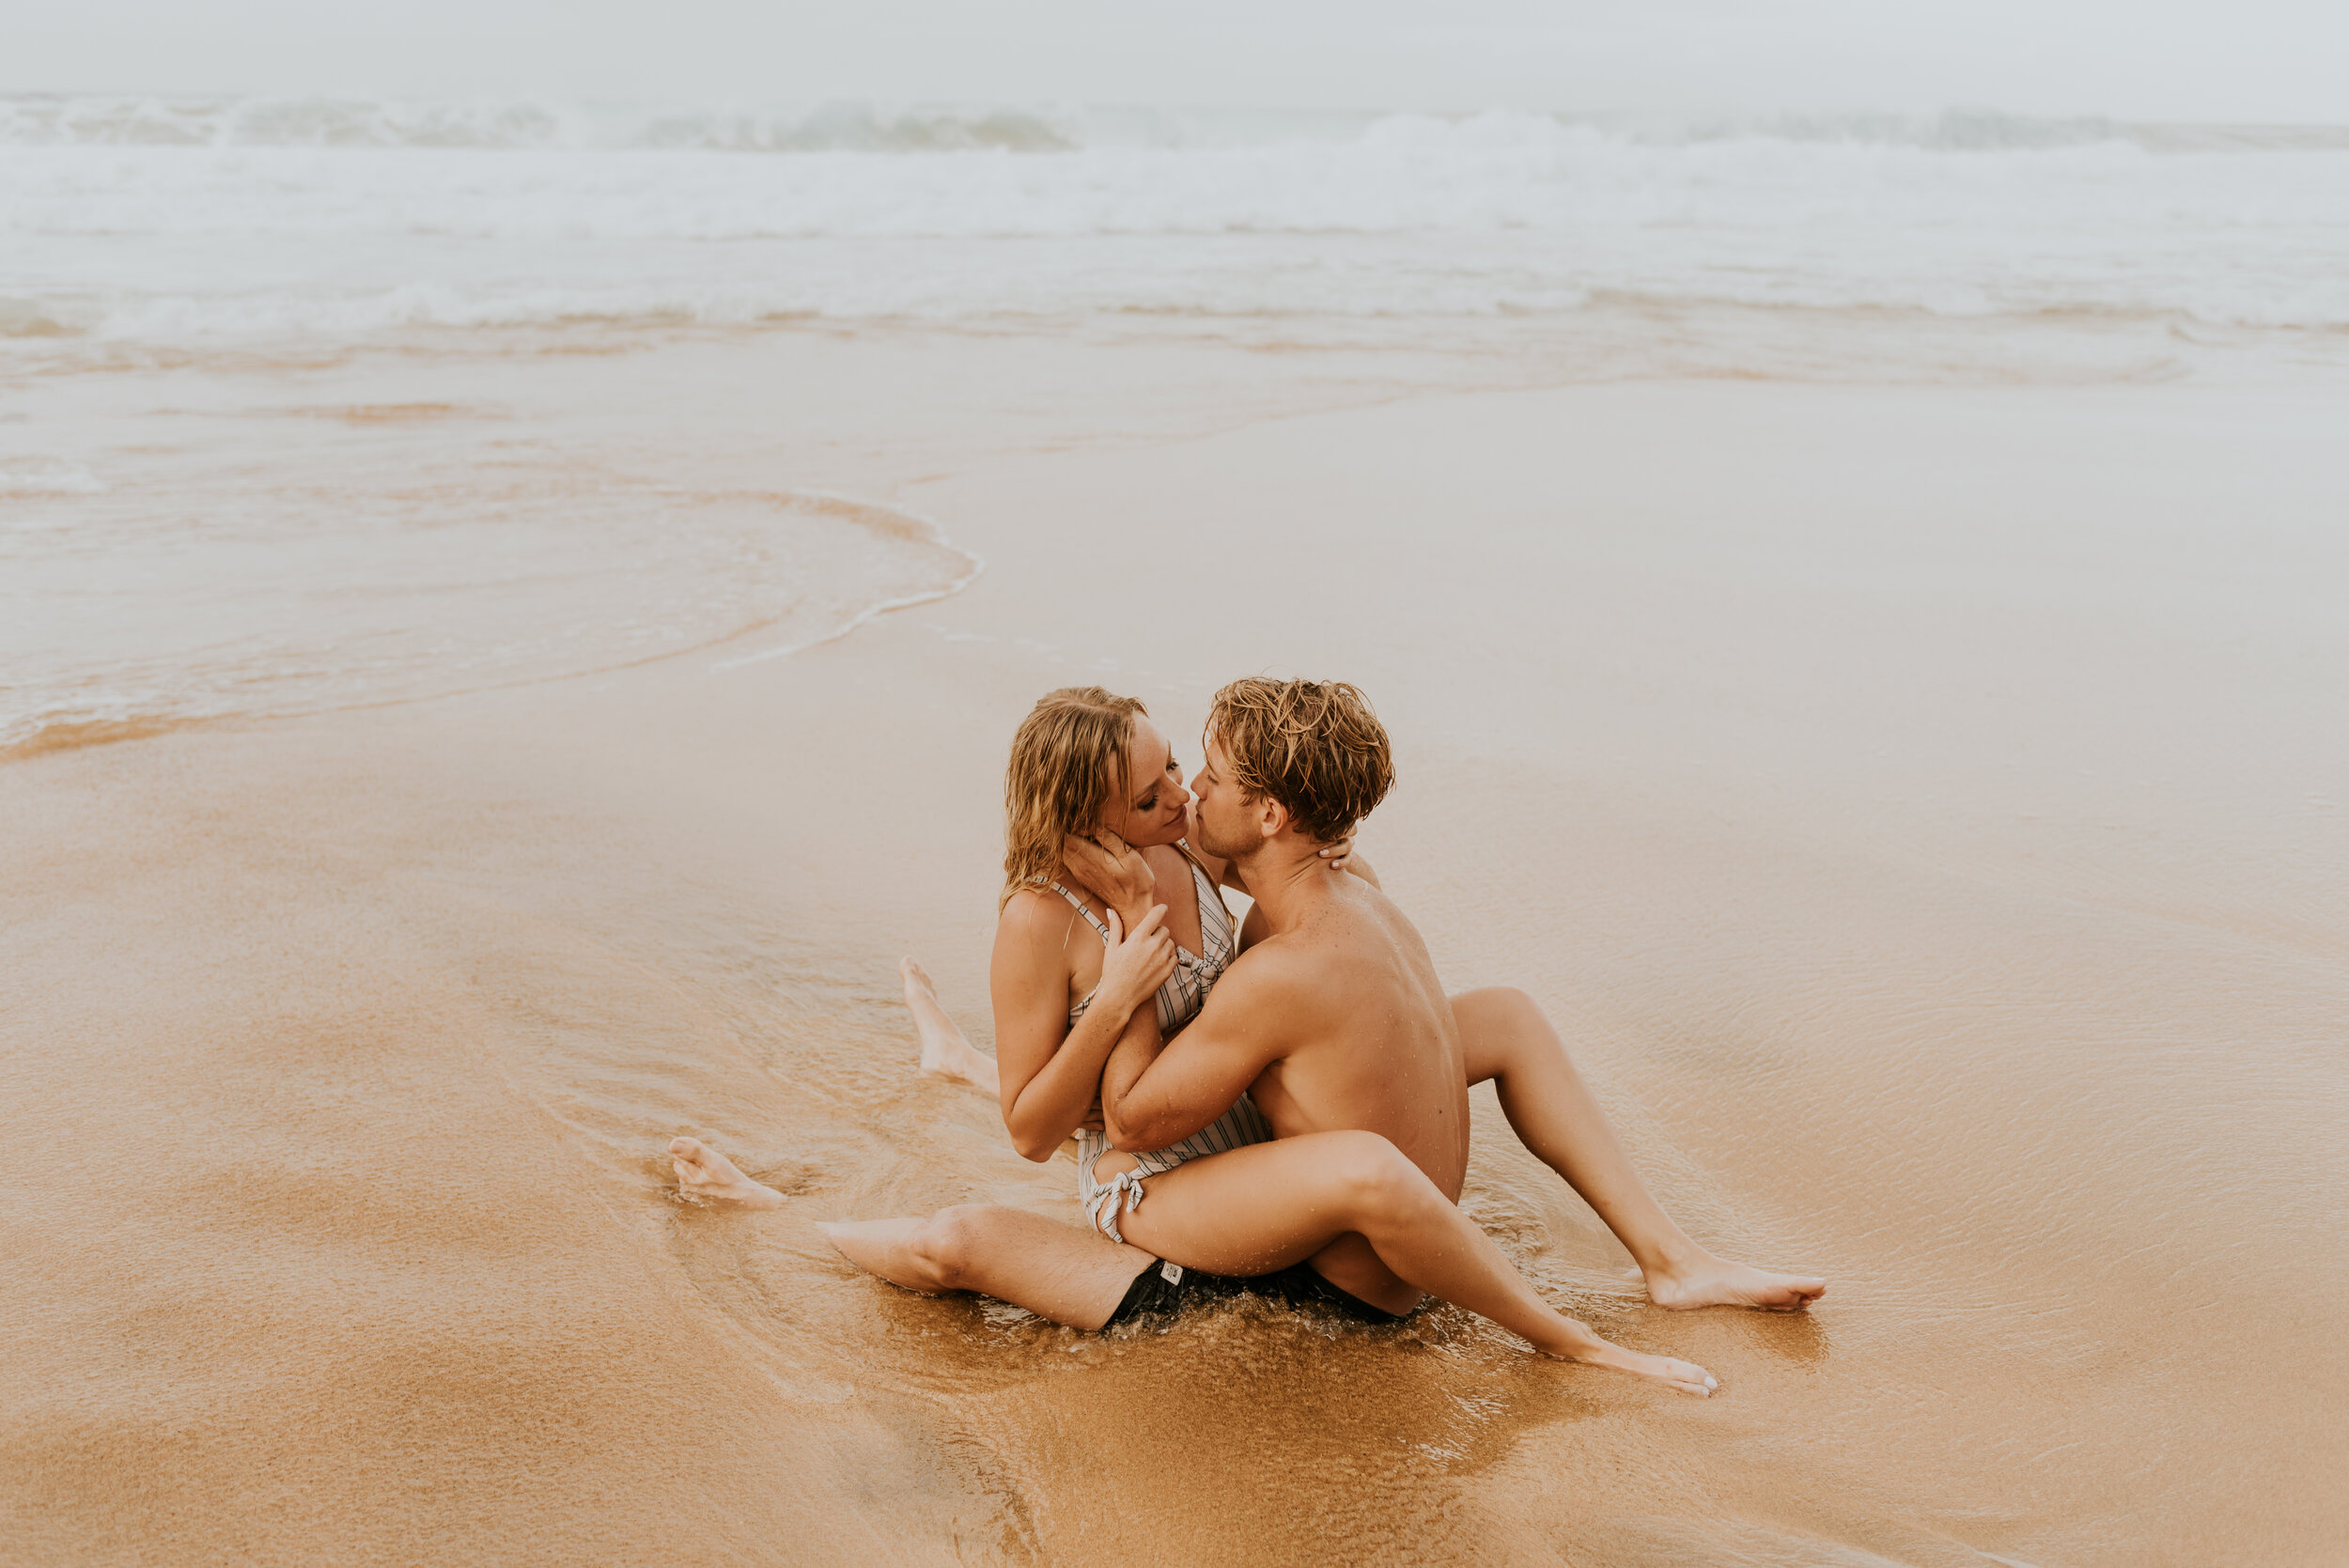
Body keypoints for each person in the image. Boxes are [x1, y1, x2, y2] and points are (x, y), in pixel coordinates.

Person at [671, 681, 1823, 1395]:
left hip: (1226, 1148)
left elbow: (1230, 1030)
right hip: (1158, 1183)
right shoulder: (1048, 919)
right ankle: (775, 1218)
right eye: (1159, 786)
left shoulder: (1193, 860)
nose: (1181, 795)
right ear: (1092, 816)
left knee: (1502, 1011)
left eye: (1190, 770)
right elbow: (1078, 1127)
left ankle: (1671, 1261)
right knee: (962, 1235)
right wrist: (1119, 982)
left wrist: (1142, 970)